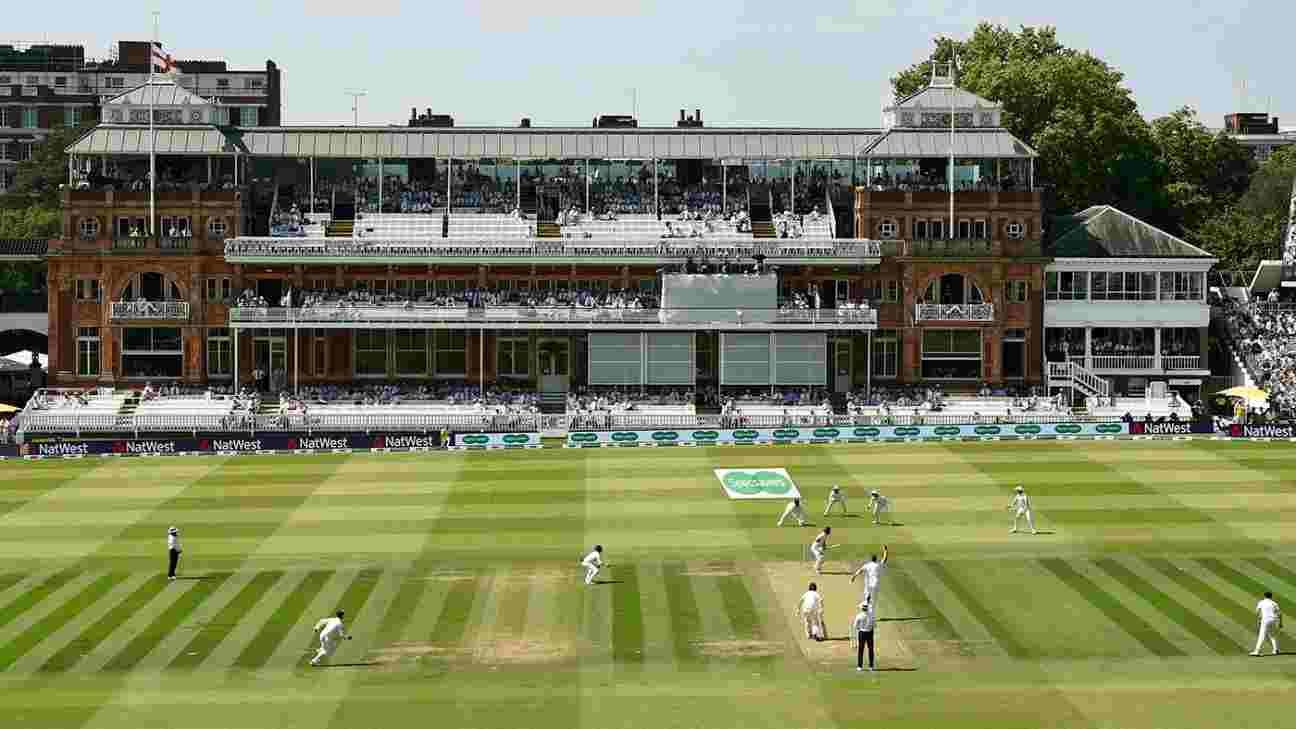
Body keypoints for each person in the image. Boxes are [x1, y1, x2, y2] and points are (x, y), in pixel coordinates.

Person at [1252, 591, 1282, 656]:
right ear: (1271, 596)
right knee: (1272, 635)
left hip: (1265, 620)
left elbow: (1258, 612)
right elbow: (1279, 614)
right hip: (1273, 620)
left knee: (1262, 635)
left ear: (1264, 596)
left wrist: (1259, 620)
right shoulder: (1274, 603)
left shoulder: (1261, 602)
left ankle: (1257, 651)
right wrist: (1280, 623)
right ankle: (1275, 650)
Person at [851, 600, 877, 671]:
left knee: (861, 649)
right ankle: (871, 666)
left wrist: (860, 628)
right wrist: (869, 627)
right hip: (870, 633)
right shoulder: (871, 615)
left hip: (862, 633)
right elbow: (875, 625)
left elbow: (855, 626)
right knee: (871, 649)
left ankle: (860, 666)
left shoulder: (859, 615)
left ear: (862, 608)